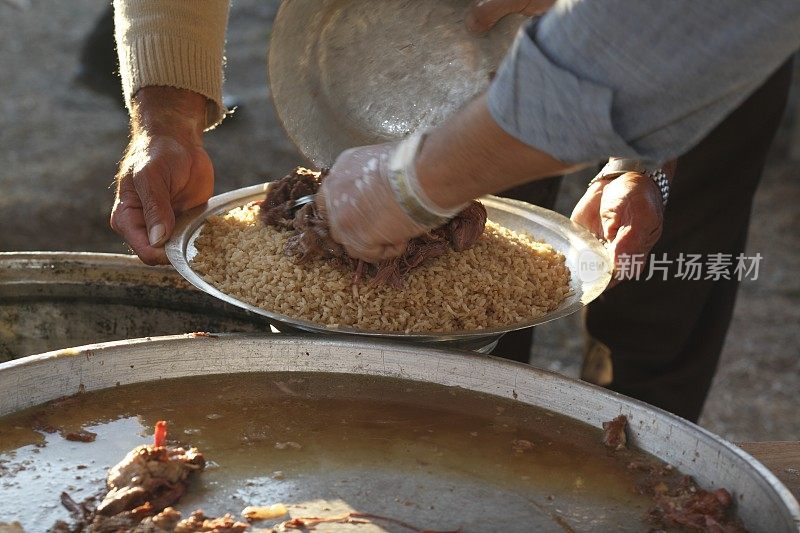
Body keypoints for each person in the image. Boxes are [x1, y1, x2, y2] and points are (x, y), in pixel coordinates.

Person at [110, 0, 800, 420]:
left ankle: (648, 472)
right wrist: (165, 114)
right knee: (458, 328)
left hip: (692, 38)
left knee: (657, 285)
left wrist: (641, 160)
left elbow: (683, 26)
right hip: (448, 49)